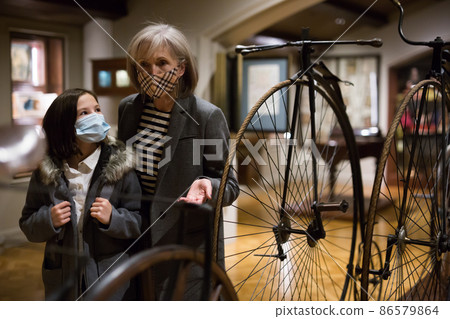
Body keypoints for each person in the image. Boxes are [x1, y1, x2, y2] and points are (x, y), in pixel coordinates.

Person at [117, 23, 239, 299]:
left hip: (186, 243)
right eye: (144, 64)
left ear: (181, 68)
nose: (153, 72)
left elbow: (229, 184)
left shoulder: (206, 116)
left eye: (162, 63)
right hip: (135, 237)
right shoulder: (129, 109)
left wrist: (207, 185)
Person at [20, 88, 143, 301]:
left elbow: (139, 221)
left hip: (109, 279)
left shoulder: (121, 167)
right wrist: (48, 219)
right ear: (64, 123)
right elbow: (28, 224)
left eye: (97, 109)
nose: (95, 116)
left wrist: (113, 218)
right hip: (63, 279)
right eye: (84, 113)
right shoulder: (44, 172)